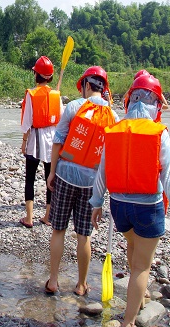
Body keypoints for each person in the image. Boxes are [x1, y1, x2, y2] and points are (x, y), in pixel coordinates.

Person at [90, 74, 170, 327]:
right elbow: (169, 178)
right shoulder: (159, 133)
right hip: (148, 207)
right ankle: (128, 323)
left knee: (133, 246)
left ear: (129, 102)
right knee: (143, 266)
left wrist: (96, 203)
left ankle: (140, 297)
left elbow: (103, 171)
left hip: (119, 207)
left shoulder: (115, 130)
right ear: (156, 103)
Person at [44, 66, 118, 296]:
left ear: (86, 85)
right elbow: (110, 154)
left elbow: (58, 141)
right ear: (104, 88)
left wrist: (52, 172)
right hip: (92, 181)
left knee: (58, 230)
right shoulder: (113, 116)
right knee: (83, 234)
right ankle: (81, 285)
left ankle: (54, 281)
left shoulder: (74, 107)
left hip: (65, 174)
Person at [19, 56, 62, 228]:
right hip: (52, 138)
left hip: (35, 138)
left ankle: (29, 217)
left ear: (36, 75)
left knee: (30, 178)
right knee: (49, 178)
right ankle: (48, 216)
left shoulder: (32, 94)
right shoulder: (56, 95)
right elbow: (61, 119)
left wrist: (23, 142)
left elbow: (27, 121)